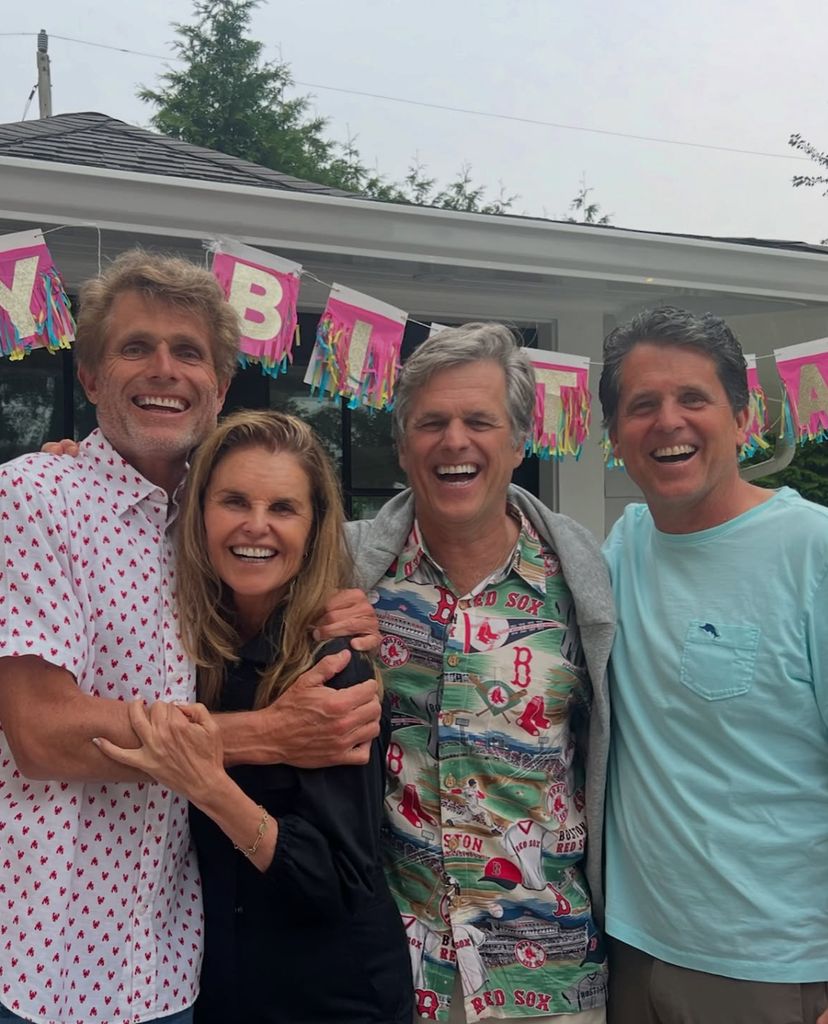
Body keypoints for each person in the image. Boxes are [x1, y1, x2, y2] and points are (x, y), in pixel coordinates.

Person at [0, 250, 380, 1024]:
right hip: (44, 953)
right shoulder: (34, 496)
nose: (163, 369)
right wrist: (269, 734)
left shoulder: (206, 522)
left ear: (220, 386)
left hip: (176, 956)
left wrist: (339, 607)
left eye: (188, 352)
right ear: (91, 378)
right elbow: (41, 733)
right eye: (136, 347)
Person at [93, 409, 413, 1024]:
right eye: (234, 500)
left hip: (329, 997)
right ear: (197, 512)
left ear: (316, 526)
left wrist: (211, 786)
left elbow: (340, 879)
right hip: (213, 985)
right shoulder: (185, 648)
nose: (256, 526)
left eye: (284, 508)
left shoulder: (330, 667)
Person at [345, 323, 616, 1023]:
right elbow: (230, 532)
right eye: (431, 422)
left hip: (548, 973)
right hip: (395, 969)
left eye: (479, 421)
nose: (454, 440)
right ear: (404, 448)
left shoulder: (586, 586)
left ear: (520, 442)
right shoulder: (345, 570)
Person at [598, 307, 828, 1024]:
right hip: (629, 953)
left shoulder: (811, 554)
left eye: (693, 398)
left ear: (742, 415)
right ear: (614, 436)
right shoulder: (618, 550)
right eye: (643, 405)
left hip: (777, 969)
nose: (668, 422)